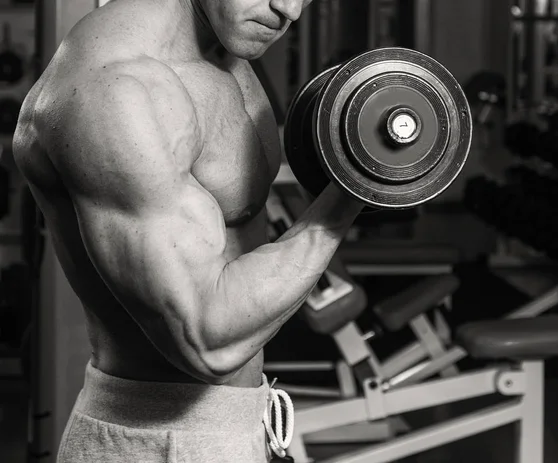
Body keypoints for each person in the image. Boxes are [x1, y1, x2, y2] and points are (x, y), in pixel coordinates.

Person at [13, 0, 364, 461]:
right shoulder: (115, 87)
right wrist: (356, 188)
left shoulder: (225, 51)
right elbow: (208, 341)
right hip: (159, 442)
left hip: (237, 424)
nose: (290, 10)